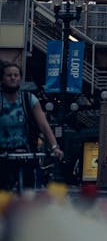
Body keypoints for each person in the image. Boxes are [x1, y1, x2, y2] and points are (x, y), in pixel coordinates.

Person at [0, 60, 63, 191]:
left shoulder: (29, 99)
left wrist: (54, 147)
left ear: (20, 78)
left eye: (16, 75)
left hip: (26, 152)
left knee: (28, 193)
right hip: (3, 154)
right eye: (9, 75)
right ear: (2, 78)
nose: (13, 78)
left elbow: (44, 126)